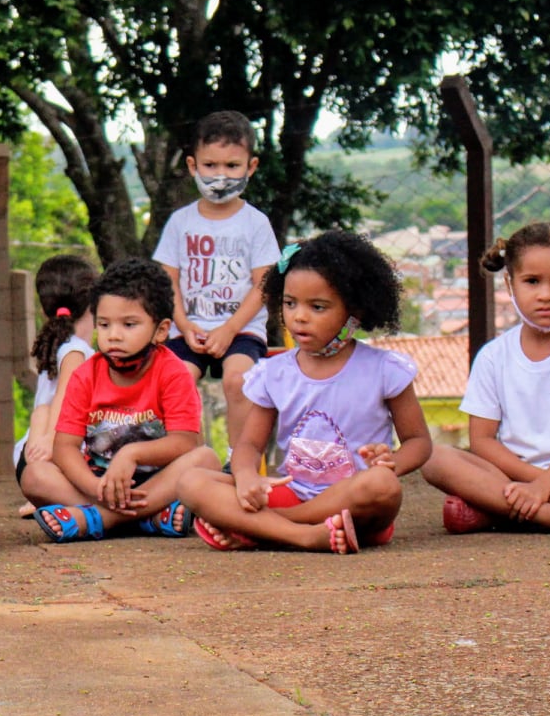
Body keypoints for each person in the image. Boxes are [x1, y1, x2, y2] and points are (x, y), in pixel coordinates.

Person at [179, 231, 432, 553]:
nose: (299, 316)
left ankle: (264, 528)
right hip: (294, 490)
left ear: (355, 310)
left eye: (318, 306)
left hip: (357, 502)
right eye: (289, 303)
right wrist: (245, 478)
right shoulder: (273, 373)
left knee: (382, 485)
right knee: (191, 482)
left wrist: (391, 462)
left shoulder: (384, 369)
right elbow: (249, 444)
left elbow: (419, 442)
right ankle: (306, 536)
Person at [422, 222, 550, 537]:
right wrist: (534, 483)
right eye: (532, 281)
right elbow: (482, 441)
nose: (546, 295)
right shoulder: (493, 357)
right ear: (510, 284)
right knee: (433, 458)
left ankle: (494, 512)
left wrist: (544, 486)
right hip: (512, 474)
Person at [22, 258, 220, 542]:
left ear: (161, 330)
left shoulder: (173, 372)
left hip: (159, 481)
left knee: (206, 459)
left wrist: (132, 454)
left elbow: (185, 441)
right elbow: (64, 447)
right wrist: (95, 487)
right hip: (100, 483)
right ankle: (147, 517)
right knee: (35, 475)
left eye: (129, 324)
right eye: (104, 324)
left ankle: (98, 519)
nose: (113, 335)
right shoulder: (85, 375)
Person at [152, 110, 281, 456]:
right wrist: (183, 323)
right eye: (210, 166)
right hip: (188, 328)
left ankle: (240, 461)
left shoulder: (255, 223)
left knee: (237, 380)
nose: (220, 176)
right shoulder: (180, 222)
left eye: (231, 166)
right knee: (175, 381)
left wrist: (229, 329)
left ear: (251, 167)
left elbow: (265, 284)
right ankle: (190, 461)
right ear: (193, 166)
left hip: (241, 330)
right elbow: (168, 280)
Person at [14, 254, 97, 519]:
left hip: (30, 454)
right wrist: (52, 439)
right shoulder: (77, 352)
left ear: (43, 310)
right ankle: (104, 509)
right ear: (96, 304)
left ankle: (47, 500)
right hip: (53, 451)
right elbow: (65, 397)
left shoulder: (56, 347)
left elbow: (41, 409)